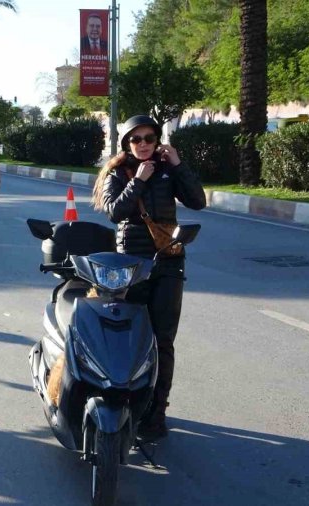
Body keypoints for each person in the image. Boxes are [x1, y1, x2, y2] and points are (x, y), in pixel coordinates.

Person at [91, 115, 206, 440]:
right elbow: (115, 212)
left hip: (168, 261)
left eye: (149, 139)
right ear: (127, 143)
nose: (143, 144)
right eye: (136, 139)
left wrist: (179, 164)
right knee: (130, 338)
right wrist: (138, 180)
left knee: (163, 341)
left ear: (157, 141)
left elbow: (198, 201)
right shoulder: (119, 172)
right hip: (130, 267)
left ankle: (156, 414)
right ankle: (124, 405)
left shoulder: (168, 170)